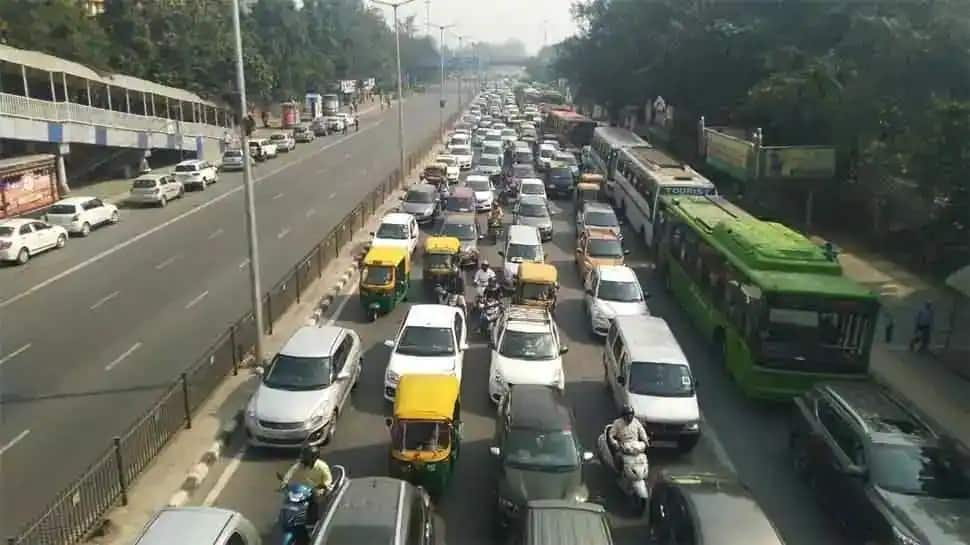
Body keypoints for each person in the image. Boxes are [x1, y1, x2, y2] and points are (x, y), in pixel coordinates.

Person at [279, 446, 333, 528]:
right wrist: (285, 482)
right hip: (309, 488)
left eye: (306, 457)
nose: (304, 459)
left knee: (314, 504)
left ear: (313, 458)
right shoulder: (302, 464)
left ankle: (314, 523)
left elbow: (328, 479)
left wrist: (323, 486)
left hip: (322, 489)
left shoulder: (322, 466)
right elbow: (292, 471)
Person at [608, 405, 649, 473]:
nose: (629, 417)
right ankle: (618, 472)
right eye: (627, 415)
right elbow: (611, 435)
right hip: (623, 446)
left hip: (635, 446)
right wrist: (615, 443)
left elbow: (642, 431)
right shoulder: (617, 423)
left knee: (643, 458)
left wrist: (645, 441)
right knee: (618, 457)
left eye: (631, 415)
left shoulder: (636, 421)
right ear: (623, 415)